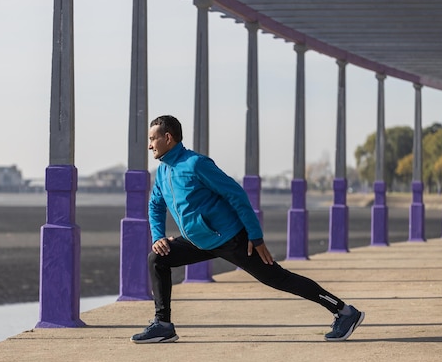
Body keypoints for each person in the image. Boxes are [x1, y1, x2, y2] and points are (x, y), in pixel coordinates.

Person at [130, 115, 364, 344]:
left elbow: (236, 194)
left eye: (153, 138)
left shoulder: (196, 164)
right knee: (158, 258)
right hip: (199, 240)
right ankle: (163, 325)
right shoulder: (162, 172)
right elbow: (155, 205)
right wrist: (158, 236)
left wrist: (255, 236)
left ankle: (344, 312)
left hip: (230, 238)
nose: (150, 145)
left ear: (168, 138)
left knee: (279, 278)